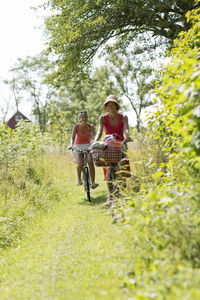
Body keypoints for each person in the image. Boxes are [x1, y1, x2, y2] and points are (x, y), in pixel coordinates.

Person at [94, 94, 132, 205]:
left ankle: (123, 194)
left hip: (121, 144)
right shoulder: (103, 118)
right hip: (109, 146)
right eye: (108, 105)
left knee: (122, 169)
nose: (111, 107)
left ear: (116, 106)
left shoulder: (123, 117)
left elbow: (126, 130)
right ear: (106, 107)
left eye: (113, 105)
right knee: (109, 168)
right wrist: (95, 140)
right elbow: (100, 131)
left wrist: (128, 136)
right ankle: (110, 196)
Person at [68, 111, 99, 189]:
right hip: (78, 146)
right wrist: (71, 145)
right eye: (82, 117)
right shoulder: (76, 127)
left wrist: (94, 141)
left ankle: (93, 182)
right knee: (80, 163)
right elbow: (72, 138)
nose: (84, 118)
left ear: (87, 118)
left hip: (88, 145)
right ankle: (79, 180)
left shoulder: (90, 126)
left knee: (90, 161)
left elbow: (93, 136)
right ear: (80, 118)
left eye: (85, 117)